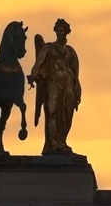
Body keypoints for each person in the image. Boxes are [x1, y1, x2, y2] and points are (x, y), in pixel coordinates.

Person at [30, 18, 82, 156]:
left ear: (66, 33)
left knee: (67, 115)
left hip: (68, 84)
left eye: (62, 31)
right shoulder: (48, 48)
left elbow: (76, 71)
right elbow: (39, 63)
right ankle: (53, 145)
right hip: (53, 83)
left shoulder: (71, 51)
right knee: (52, 112)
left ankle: (62, 142)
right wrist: (33, 75)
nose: (59, 33)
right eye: (57, 30)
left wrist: (77, 87)